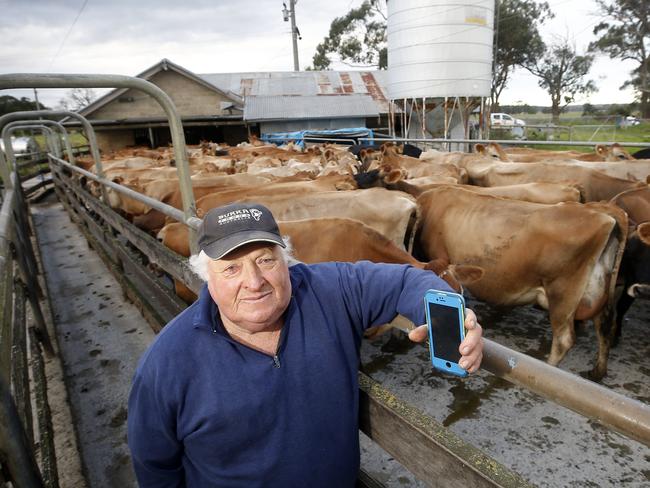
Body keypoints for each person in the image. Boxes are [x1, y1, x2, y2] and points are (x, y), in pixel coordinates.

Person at [127, 202, 483, 487]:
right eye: (231, 269)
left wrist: (450, 320)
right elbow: (154, 465)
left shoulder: (327, 290)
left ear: (287, 260)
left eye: (265, 260)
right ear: (206, 277)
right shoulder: (168, 364)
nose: (254, 282)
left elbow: (407, 281)